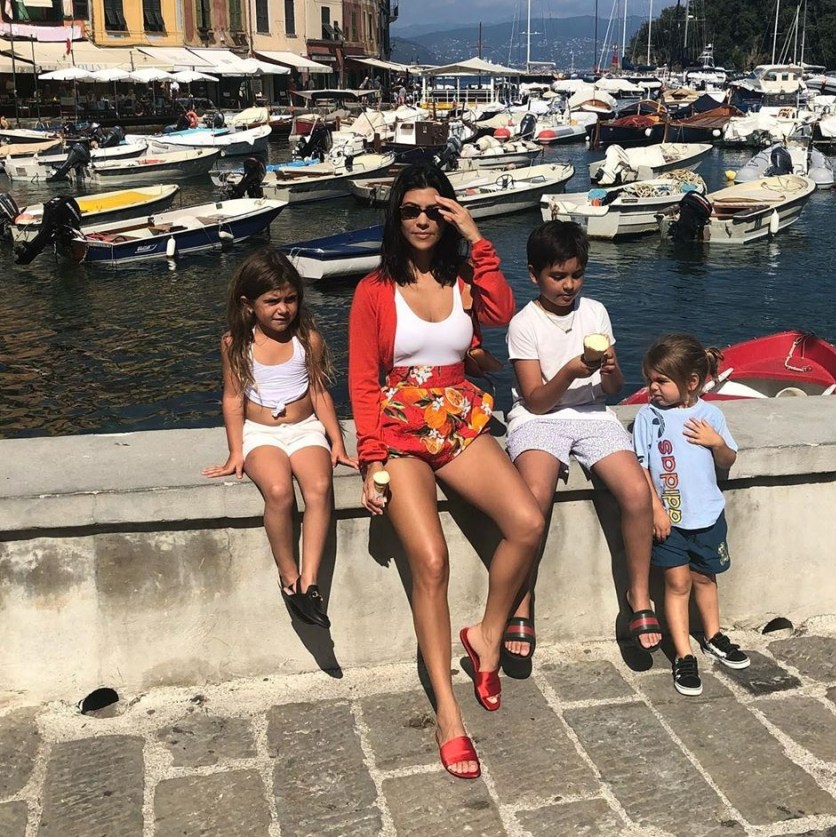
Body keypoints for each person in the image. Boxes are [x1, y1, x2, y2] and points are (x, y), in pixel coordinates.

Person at [348, 163, 544, 780]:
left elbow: (505, 312)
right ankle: (448, 714)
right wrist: (372, 458)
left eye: (436, 209)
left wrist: (478, 237)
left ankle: (487, 634)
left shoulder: (464, 278)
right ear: (396, 217)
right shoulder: (375, 289)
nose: (424, 220)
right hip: (401, 422)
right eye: (411, 210)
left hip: (459, 413)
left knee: (526, 523)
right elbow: (360, 378)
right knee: (430, 561)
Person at [502, 220, 660, 662]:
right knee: (535, 498)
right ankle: (522, 599)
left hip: (592, 414)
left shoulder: (595, 313)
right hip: (541, 418)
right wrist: (570, 371)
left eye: (576, 274)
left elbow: (613, 391)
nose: (568, 285)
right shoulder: (524, 324)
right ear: (534, 275)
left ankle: (639, 595)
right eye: (558, 276)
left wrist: (610, 372)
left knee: (634, 491)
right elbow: (534, 401)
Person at [203, 247, 357, 628]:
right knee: (278, 491)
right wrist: (235, 451)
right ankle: (289, 577)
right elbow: (233, 397)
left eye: (290, 299)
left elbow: (320, 394)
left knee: (320, 487)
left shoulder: (309, 340)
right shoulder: (235, 345)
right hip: (261, 433)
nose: (283, 309)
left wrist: (336, 441)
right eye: (272, 301)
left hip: (304, 430)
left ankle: (310, 580)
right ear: (249, 304)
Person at [633, 333, 750, 697]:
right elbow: (642, 468)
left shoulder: (710, 415)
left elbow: (728, 458)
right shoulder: (647, 418)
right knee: (676, 584)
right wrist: (655, 509)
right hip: (670, 521)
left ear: (692, 382)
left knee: (705, 579)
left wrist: (717, 443)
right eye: (650, 379)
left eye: (661, 381)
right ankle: (683, 653)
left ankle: (713, 635)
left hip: (708, 517)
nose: (652, 387)